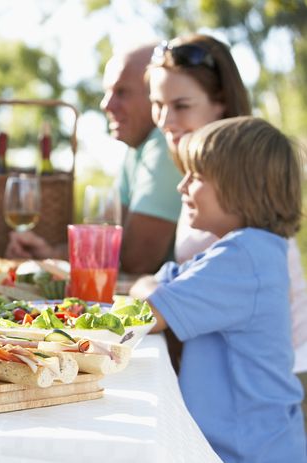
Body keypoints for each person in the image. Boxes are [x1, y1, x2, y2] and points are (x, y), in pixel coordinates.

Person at [129, 116, 306, 462]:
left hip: (247, 453)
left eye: (196, 177)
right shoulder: (241, 252)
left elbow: (149, 311)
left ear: (242, 188)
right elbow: (161, 286)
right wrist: (152, 287)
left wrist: (148, 287)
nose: (182, 187)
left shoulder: (244, 256)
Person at [148, 32, 307, 411]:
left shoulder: (243, 250)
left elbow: (153, 309)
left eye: (180, 105)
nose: (165, 121)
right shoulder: (233, 228)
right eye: (157, 104)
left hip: (263, 401)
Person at [5, 43, 182, 275]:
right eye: (107, 92)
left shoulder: (164, 143)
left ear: (156, 94)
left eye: (122, 92)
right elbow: (108, 241)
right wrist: (49, 253)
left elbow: (136, 260)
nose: (105, 104)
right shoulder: (137, 149)